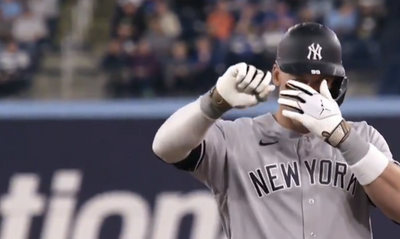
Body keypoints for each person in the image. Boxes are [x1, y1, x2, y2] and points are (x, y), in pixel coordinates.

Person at [152, 22, 400, 239]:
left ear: (337, 85)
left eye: (322, 82)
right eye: (300, 81)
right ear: (277, 74)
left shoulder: (362, 139)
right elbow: (165, 147)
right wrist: (214, 102)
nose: (310, 91)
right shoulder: (237, 138)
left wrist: (344, 139)